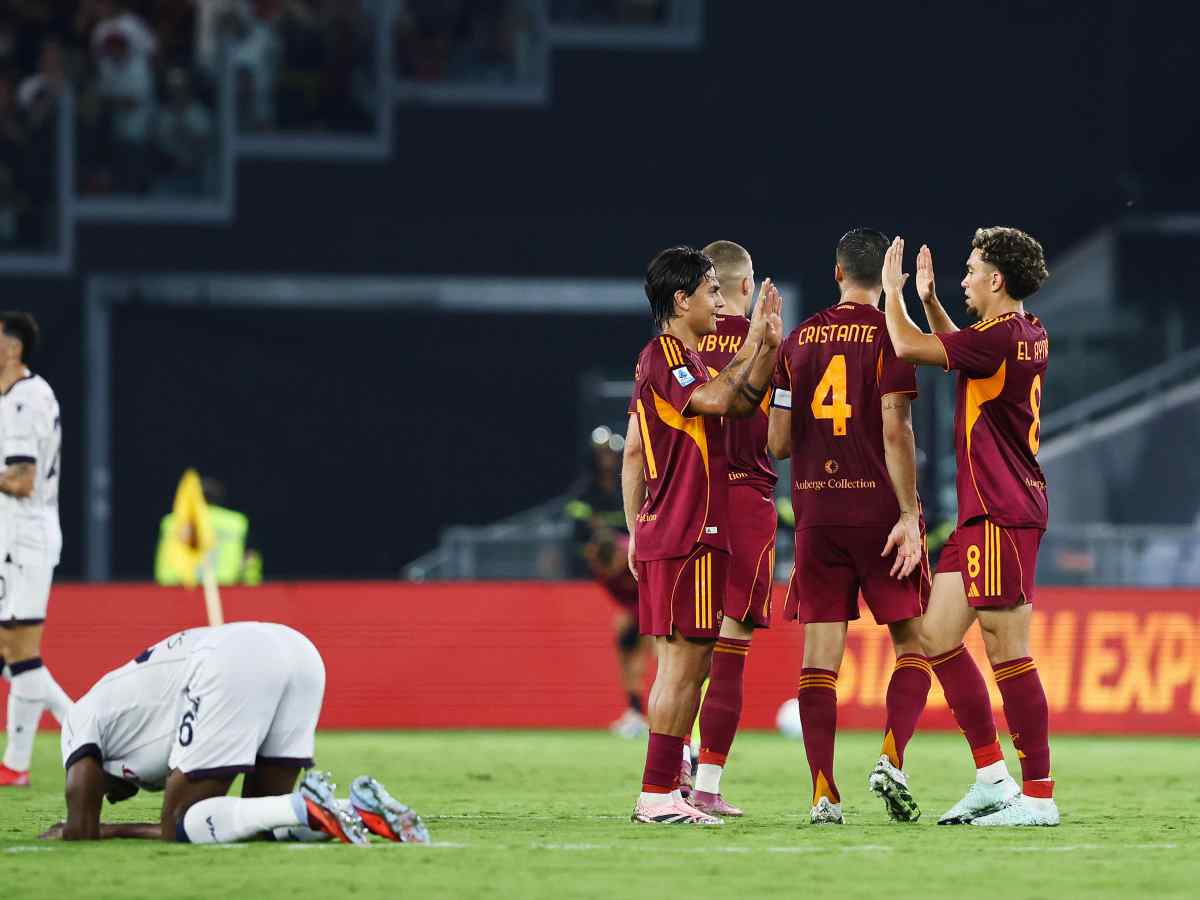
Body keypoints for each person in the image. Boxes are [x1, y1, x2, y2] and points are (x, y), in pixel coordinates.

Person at [881, 230, 1056, 827]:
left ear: (997, 281)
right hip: (985, 514)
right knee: (935, 637)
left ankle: (1038, 796)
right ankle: (991, 776)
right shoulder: (1024, 331)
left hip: (1002, 512)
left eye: (972, 270)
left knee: (1010, 652)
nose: (964, 280)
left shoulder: (1000, 337)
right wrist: (931, 302)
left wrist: (892, 292)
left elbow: (906, 346)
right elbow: (963, 346)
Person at [767, 228, 931, 825]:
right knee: (915, 643)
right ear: (881, 278)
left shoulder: (797, 342)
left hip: (816, 514)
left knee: (819, 661)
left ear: (837, 274)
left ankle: (821, 792)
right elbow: (896, 429)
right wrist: (911, 513)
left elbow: (778, 444)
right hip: (879, 514)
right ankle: (891, 755)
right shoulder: (890, 336)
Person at [622, 245, 782, 826]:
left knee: (691, 666)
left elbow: (741, 401)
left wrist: (764, 341)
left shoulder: (683, 356)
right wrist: (754, 344)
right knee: (682, 668)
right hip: (686, 528)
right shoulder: (666, 356)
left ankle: (666, 790)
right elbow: (719, 399)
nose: (720, 302)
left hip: (691, 527)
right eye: (711, 292)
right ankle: (657, 792)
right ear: (681, 299)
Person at [48, 621, 429, 844]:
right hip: (298, 650)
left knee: (180, 823)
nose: (116, 799)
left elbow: (80, 824)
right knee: (264, 823)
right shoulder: (129, 723)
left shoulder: (79, 717)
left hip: (231, 657)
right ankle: (358, 809)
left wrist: (107, 829)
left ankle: (308, 803)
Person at [682, 240, 778, 817]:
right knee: (731, 649)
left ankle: (668, 771)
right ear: (749, 286)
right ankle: (708, 785)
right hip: (746, 499)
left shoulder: (680, 348)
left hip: (686, 501)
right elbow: (787, 435)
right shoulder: (768, 342)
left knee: (682, 649)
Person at [0, 312, 72, 788]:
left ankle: (87, 727)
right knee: (10, 652)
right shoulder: (16, 397)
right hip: (13, 536)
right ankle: (16, 765)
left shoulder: (25, 401)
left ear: (13, 347)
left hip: (25, 537)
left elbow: (22, 481)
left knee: (19, 653)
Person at [566, 427, 653, 738]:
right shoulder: (585, 495)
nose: (605, 460)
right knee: (628, 646)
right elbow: (579, 532)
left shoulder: (627, 490)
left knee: (656, 652)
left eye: (609, 453)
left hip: (651, 593)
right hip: (633, 594)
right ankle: (636, 712)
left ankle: (659, 718)